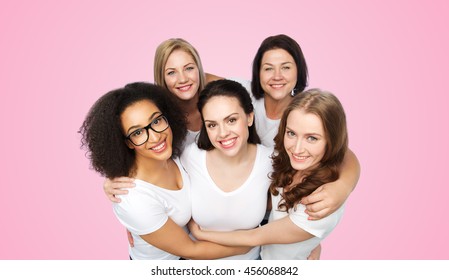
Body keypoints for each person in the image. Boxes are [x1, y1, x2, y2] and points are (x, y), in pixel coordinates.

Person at [79, 82, 249, 259]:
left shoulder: (178, 154)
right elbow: (191, 250)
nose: (155, 136)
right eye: (137, 132)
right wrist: (246, 246)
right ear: (127, 143)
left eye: (156, 120)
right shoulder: (134, 198)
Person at [189, 89, 348, 259]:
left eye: (312, 138)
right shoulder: (288, 163)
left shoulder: (321, 202)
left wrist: (201, 234)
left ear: (332, 140)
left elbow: (254, 237)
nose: (297, 148)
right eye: (292, 133)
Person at [180, 79, 273, 259]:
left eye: (231, 120)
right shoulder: (191, 157)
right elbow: (156, 185)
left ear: (249, 117)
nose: (222, 133)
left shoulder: (270, 162)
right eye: (212, 125)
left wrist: (311, 244)